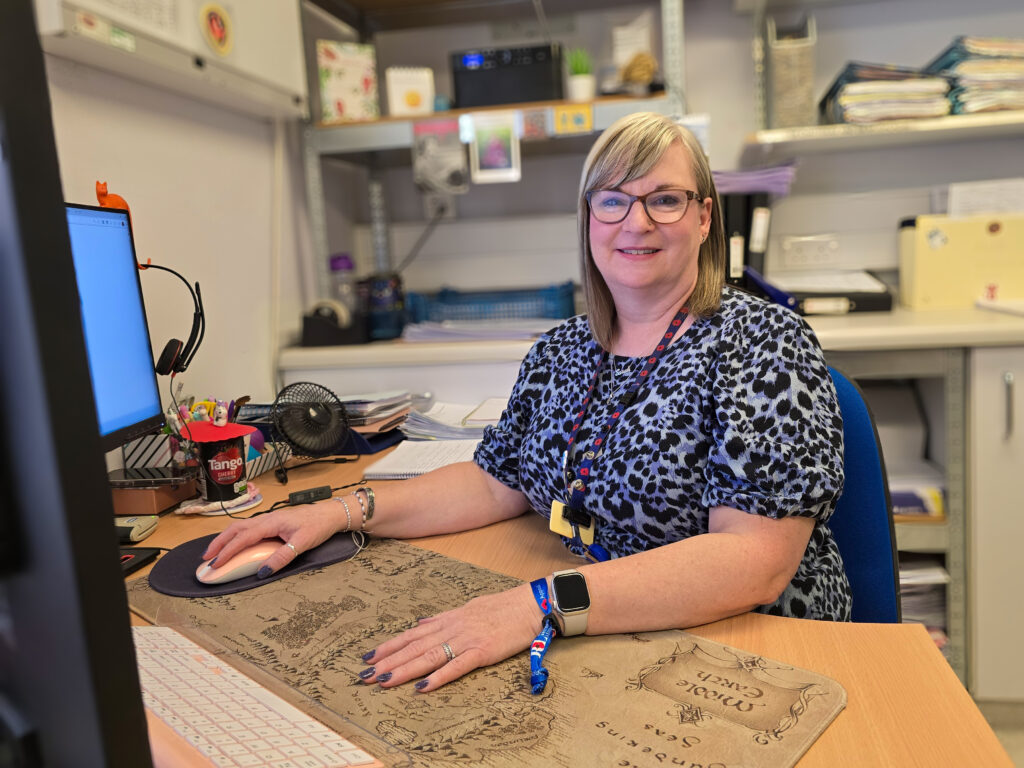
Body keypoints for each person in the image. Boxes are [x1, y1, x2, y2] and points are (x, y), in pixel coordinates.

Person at [204, 111, 850, 695]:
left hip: (755, 647)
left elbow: (752, 562)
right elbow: (495, 482)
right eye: (614, 200)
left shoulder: (762, 342)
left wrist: (535, 604)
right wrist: (342, 511)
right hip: (607, 624)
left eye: (665, 199)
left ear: (705, 217)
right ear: (589, 218)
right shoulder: (562, 349)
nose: (637, 222)